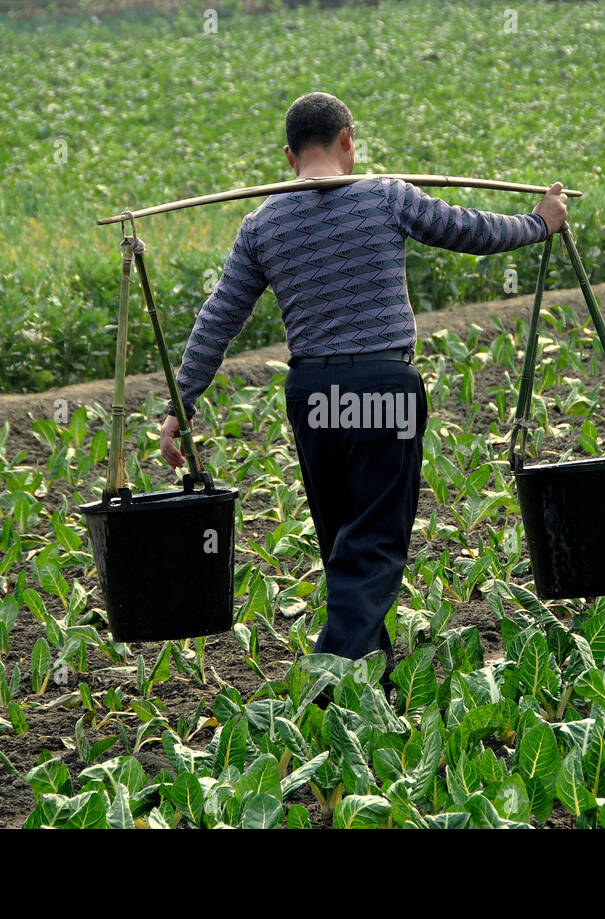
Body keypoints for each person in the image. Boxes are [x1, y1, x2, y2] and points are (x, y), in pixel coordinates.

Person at [159, 91, 568, 703]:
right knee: (372, 543)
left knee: (344, 542)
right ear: (348, 141)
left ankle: (369, 690)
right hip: (383, 386)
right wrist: (539, 224)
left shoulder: (262, 225)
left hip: (315, 394)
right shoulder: (385, 195)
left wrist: (180, 405)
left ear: (290, 156)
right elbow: (471, 230)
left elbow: (219, 317)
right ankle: (328, 684)